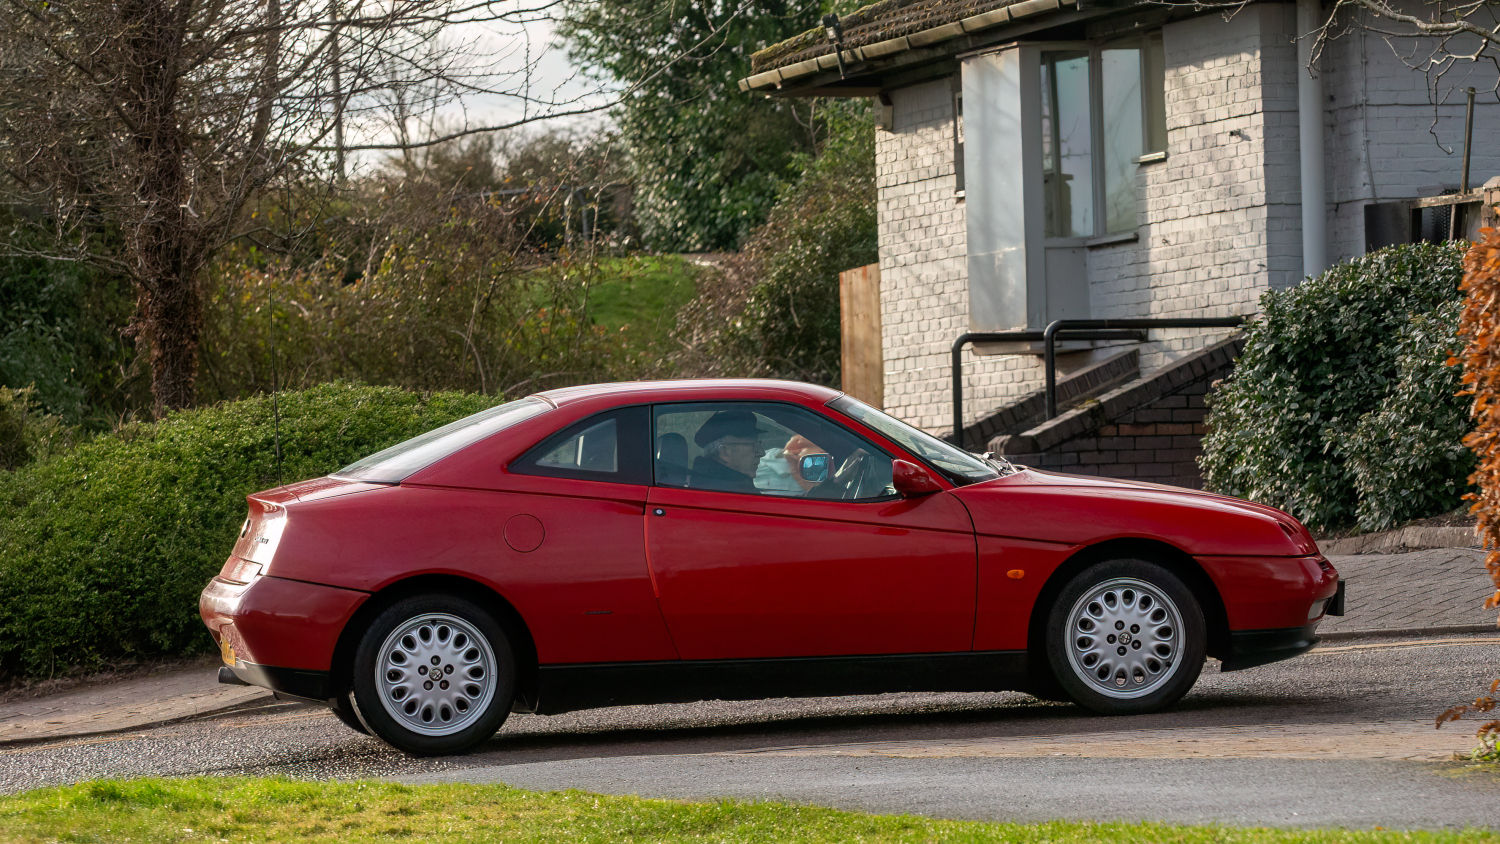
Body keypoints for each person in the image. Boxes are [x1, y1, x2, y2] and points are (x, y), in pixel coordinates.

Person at [689, 410, 764, 494]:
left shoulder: (714, 486)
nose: (761, 453)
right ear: (725, 452)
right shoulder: (731, 492)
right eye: (753, 445)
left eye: (759, 444)